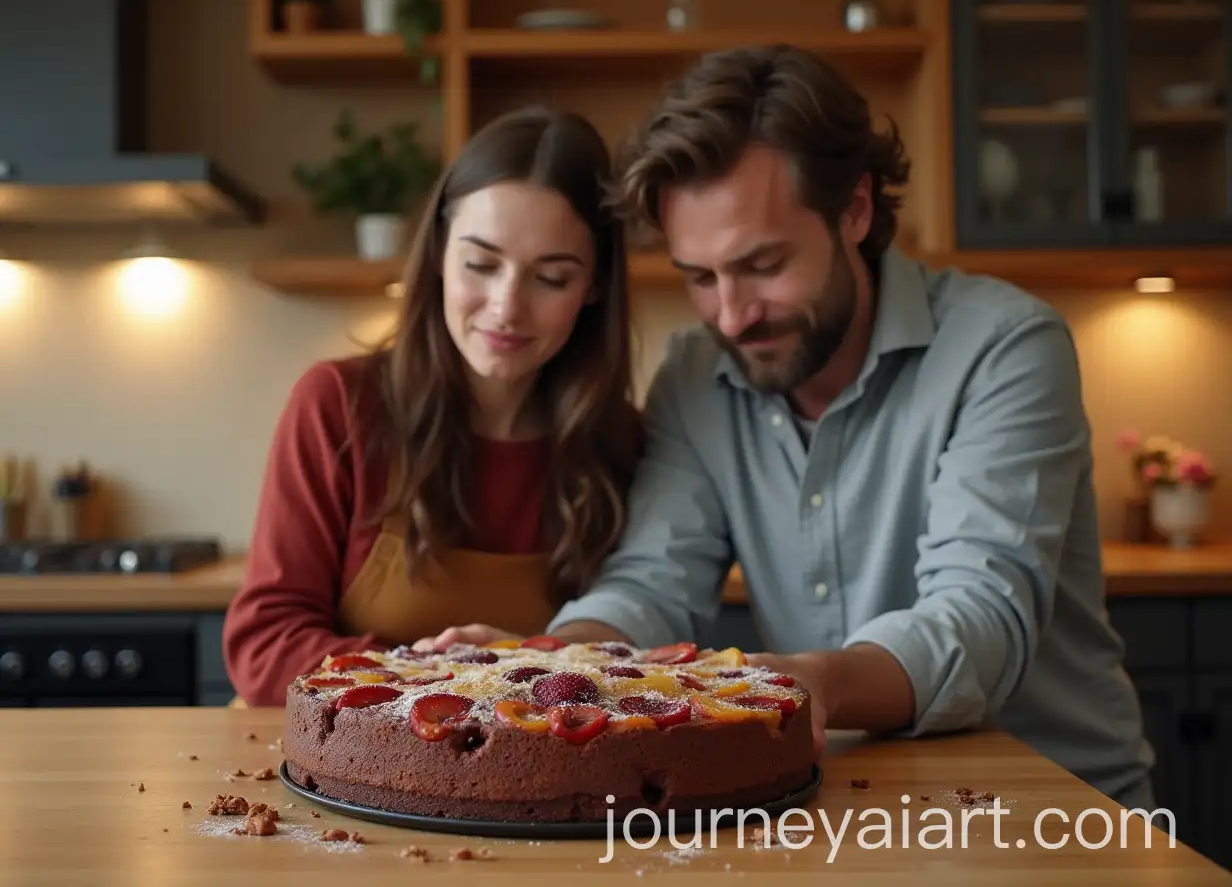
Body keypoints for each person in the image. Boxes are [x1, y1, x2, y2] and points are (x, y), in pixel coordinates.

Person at [416, 46, 1157, 813]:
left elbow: (982, 615)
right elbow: (653, 583)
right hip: (845, 801)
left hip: (1055, 804)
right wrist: (553, 658)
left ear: (856, 211)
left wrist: (819, 681)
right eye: (700, 278)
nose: (732, 315)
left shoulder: (1004, 348)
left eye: (763, 264)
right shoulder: (697, 376)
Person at [222, 107, 642, 706]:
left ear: (595, 287)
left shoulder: (622, 440)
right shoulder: (339, 405)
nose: (506, 308)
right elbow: (263, 645)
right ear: (440, 254)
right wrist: (443, 677)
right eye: (480, 264)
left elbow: (628, 652)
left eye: (551, 278)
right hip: (335, 762)